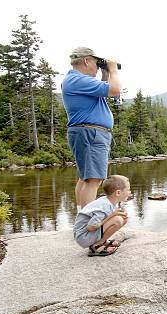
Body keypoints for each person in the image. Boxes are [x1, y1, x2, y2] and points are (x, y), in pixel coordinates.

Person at [61, 47, 121, 211]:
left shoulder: (75, 81)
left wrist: (105, 74)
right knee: (93, 180)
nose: (97, 67)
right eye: (96, 62)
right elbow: (115, 89)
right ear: (86, 60)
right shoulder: (78, 80)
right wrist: (113, 69)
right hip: (91, 134)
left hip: (86, 132)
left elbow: (103, 90)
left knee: (85, 179)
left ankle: (82, 219)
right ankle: (88, 226)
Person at [74, 175, 130, 256]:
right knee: (118, 220)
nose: (130, 192)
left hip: (87, 235)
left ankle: (103, 241)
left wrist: (113, 215)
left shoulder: (109, 201)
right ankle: (96, 246)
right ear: (118, 192)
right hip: (83, 237)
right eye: (128, 190)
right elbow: (91, 227)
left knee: (123, 218)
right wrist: (112, 215)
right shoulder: (105, 206)